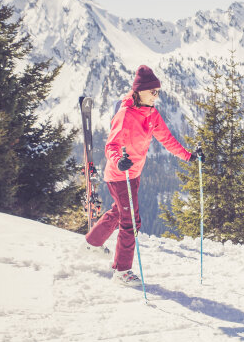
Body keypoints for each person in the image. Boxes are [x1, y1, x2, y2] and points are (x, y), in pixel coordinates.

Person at [85, 65, 203, 286]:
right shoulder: (125, 114)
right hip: (119, 175)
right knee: (131, 221)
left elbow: (166, 139)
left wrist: (188, 156)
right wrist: (119, 161)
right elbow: (111, 145)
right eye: (152, 92)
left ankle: (92, 242)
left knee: (119, 212)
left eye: (157, 92)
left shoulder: (151, 114)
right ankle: (122, 271)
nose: (156, 96)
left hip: (134, 174)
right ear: (139, 91)